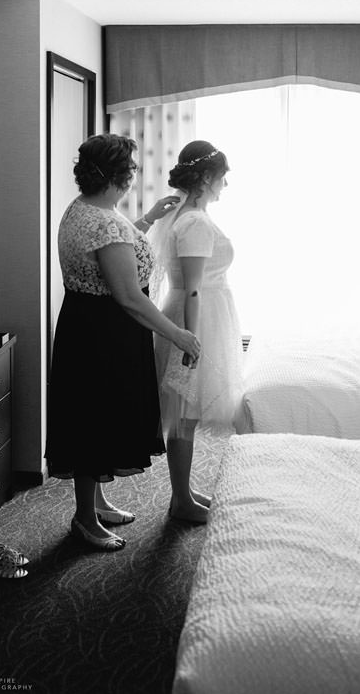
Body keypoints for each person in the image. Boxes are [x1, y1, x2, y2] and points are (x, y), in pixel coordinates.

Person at [45, 133, 201, 552]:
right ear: (121, 174)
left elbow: (116, 246)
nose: (134, 175)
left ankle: (95, 501)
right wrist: (178, 334)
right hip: (107, 333)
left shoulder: (80, 211)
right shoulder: (107, 224)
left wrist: (146, 218)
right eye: (131, 168)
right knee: (95, 419)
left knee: (91, 414)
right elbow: (130, 296)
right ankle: (84, 519)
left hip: (83, 322)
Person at [151, 140, 244, 524]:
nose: (226, 184)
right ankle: (180, 500)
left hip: (201, 311)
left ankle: (183, 492)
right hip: (195, 315)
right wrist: (190, 337)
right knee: (184, 409)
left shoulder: (186, 216)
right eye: (223, 177)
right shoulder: (194, 223)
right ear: (206, 177)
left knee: (184, 411)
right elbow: (191, 287)